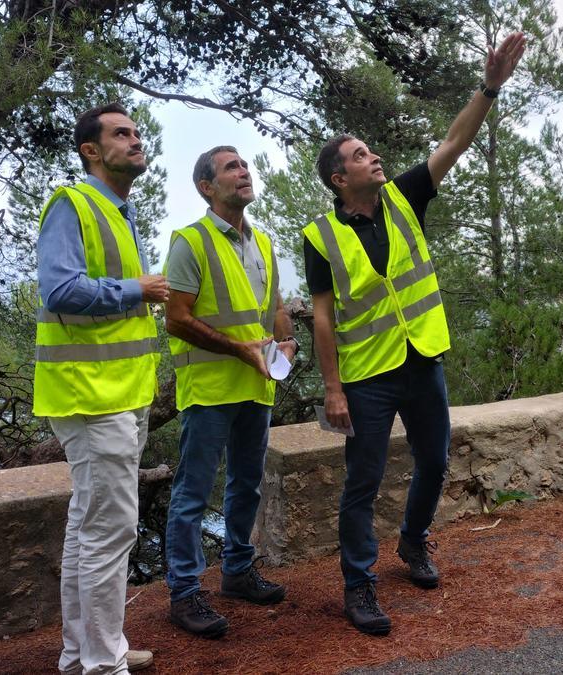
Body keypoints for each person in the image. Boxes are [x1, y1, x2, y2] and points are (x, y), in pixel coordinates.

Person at [302, 33, 526, 636]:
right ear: (337, 177)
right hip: (368, 377)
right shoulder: (320, 235)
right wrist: (333, 388)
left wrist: (490, 87)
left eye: (372, 150)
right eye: (359, 154)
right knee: (363, 482)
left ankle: (413, 542)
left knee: (434, 459)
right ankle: (359, 585)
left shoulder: (403, 197)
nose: (373, 157)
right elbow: (322, 316)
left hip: (423, 361)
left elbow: (455, 141)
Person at [35, 102, 167, 674]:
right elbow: (59, 289)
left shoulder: (121, 212)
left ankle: (83, 653)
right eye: (122, 134)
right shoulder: (74, 204)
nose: (136, 141)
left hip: (116, 391)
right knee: (110, 531)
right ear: (91, 149)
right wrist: (134, 289)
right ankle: (103, 663)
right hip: (92, 394)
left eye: (137, 133)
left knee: (89, 525)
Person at [162, 146, 298, 638]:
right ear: (206, 186)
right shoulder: (190, 241)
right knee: (193, 494)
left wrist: (286, 339)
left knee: (247, 485)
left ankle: (237, 571)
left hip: (257, 385)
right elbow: (176, 319)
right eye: (231, 168)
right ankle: (183, 591)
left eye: (244, 165)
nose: (244, 172)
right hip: (209, 390)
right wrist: (238, 350)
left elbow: (275, 307)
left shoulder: (262, 241)